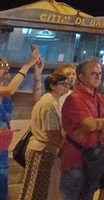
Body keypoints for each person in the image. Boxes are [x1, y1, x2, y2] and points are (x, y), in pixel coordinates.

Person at [60, 60, 104, 200]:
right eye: (93, 74)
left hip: (96, 158)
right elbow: (89, 124)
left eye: (99, 74)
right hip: (76, 159)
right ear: (81, 77)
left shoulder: (99, 98)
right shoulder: (75, 99)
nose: (98, 77)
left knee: (88, 195)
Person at [0, 48, 42, 200]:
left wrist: (37, 75)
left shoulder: (4, 95)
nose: (6, 68)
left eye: (7, 66)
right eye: (0, 66)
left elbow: (36, 99)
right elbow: (10, 90)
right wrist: (27, 65)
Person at [19, 72, 68, 200]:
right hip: (42, 151)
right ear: (52, 86)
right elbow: (52, 132)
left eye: (67, 84)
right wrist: (63, 148)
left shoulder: (53, 101)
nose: (66, 87)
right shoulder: (48, 103)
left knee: (40, 188)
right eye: (62, 84)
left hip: (45, 150)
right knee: (37, 188)